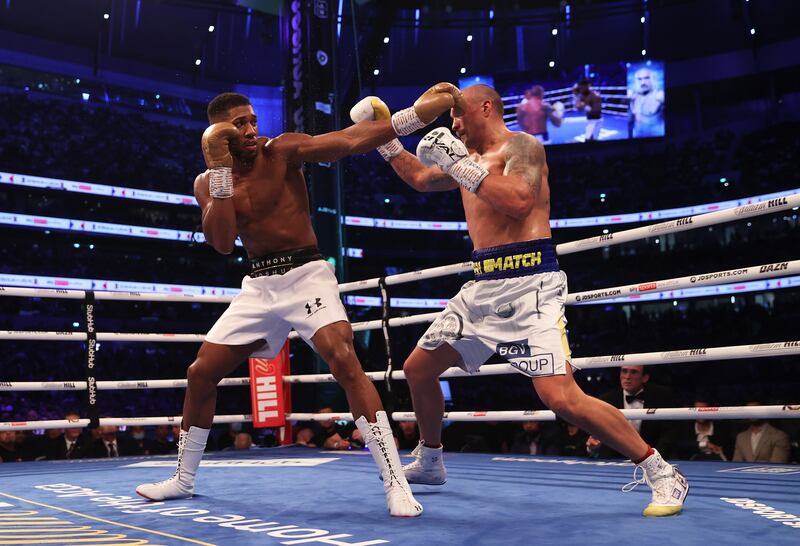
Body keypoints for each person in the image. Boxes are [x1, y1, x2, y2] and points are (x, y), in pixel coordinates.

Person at [351, 83, 688, 517]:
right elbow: (418, 177)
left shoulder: (522, 146)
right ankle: (431, 460)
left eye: (457, 116)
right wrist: (385, 136)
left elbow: (519, 200)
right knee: (418, 369)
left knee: (561, 399)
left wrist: (458, 163)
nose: (452, 125)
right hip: (481, 286)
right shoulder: (467, 160)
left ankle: (660, 471)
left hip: (531, 284)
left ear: (486, 107)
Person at [137, 85, 462, 517]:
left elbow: (347, 140)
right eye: (240, 124)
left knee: (344, 360)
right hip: (259, 286)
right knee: (200, 373)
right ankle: (183, 479)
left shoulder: (282, 150)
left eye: (253, 120)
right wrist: (218, 171)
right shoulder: (208, 181)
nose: (252, 129)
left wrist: (416, 116)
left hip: (306, 274)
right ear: (219, 134)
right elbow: (219, 242)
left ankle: (396, 484)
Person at [586, 365, 676, 459]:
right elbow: (597, 438)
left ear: (645, 377)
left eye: (633, 372)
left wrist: (653, 460)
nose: (627, 377)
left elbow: (669, 433)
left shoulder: (662, 396)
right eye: (624, 371)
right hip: (616, 461)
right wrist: (592, 448)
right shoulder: (607, 399)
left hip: (654, 458)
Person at [628, 68, 664, 138]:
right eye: (639, 79)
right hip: (637, 135)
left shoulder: (659, 95)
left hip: (655, 137)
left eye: (646, 78)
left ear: (653, 79)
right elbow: (631, 120)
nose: (643, 82)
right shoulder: (633, 96)